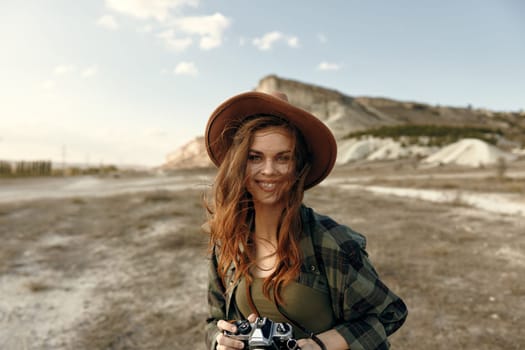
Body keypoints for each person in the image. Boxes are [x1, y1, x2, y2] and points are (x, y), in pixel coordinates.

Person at [203, 91, 407, 350]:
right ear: (239, 165)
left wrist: (319, 345)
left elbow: (387, 314)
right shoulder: (225, 242)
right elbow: (213, 320)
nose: (268, 170)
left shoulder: (331, 241)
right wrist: (219, 342)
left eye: (282, 157)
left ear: (297, 166)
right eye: (255, 157)